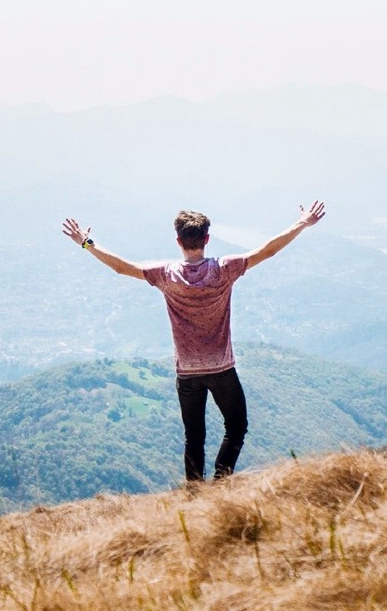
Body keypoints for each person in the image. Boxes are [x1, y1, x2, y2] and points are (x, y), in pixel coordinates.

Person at [60, 202, 326, 484]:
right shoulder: (224, 270)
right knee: (236, 427)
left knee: (194, 436)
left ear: (178, 241)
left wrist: (86, 243)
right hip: (222, 369)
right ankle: (222, 481)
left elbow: (122, 268)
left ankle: (194, 491)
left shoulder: (166, 274)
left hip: (187, 373)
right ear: (207, 239)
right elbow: (268, 250)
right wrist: (302, 223)